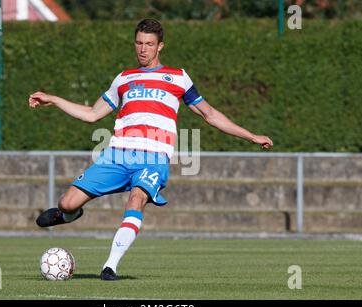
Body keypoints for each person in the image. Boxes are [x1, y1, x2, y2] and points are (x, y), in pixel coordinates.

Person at [28, 18, 273, 281]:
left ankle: (110, 266)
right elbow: (91, 114)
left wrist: (251, 136)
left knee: (137, 198)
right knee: (66, 203)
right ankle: (70, 215)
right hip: (118, 154)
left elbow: (210, 114)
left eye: (149, 44)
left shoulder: (178, 78)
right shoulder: (123, 79)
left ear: (160, 46)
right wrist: (52, 98)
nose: (143, 49)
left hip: (154, 158)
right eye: (139, 43)